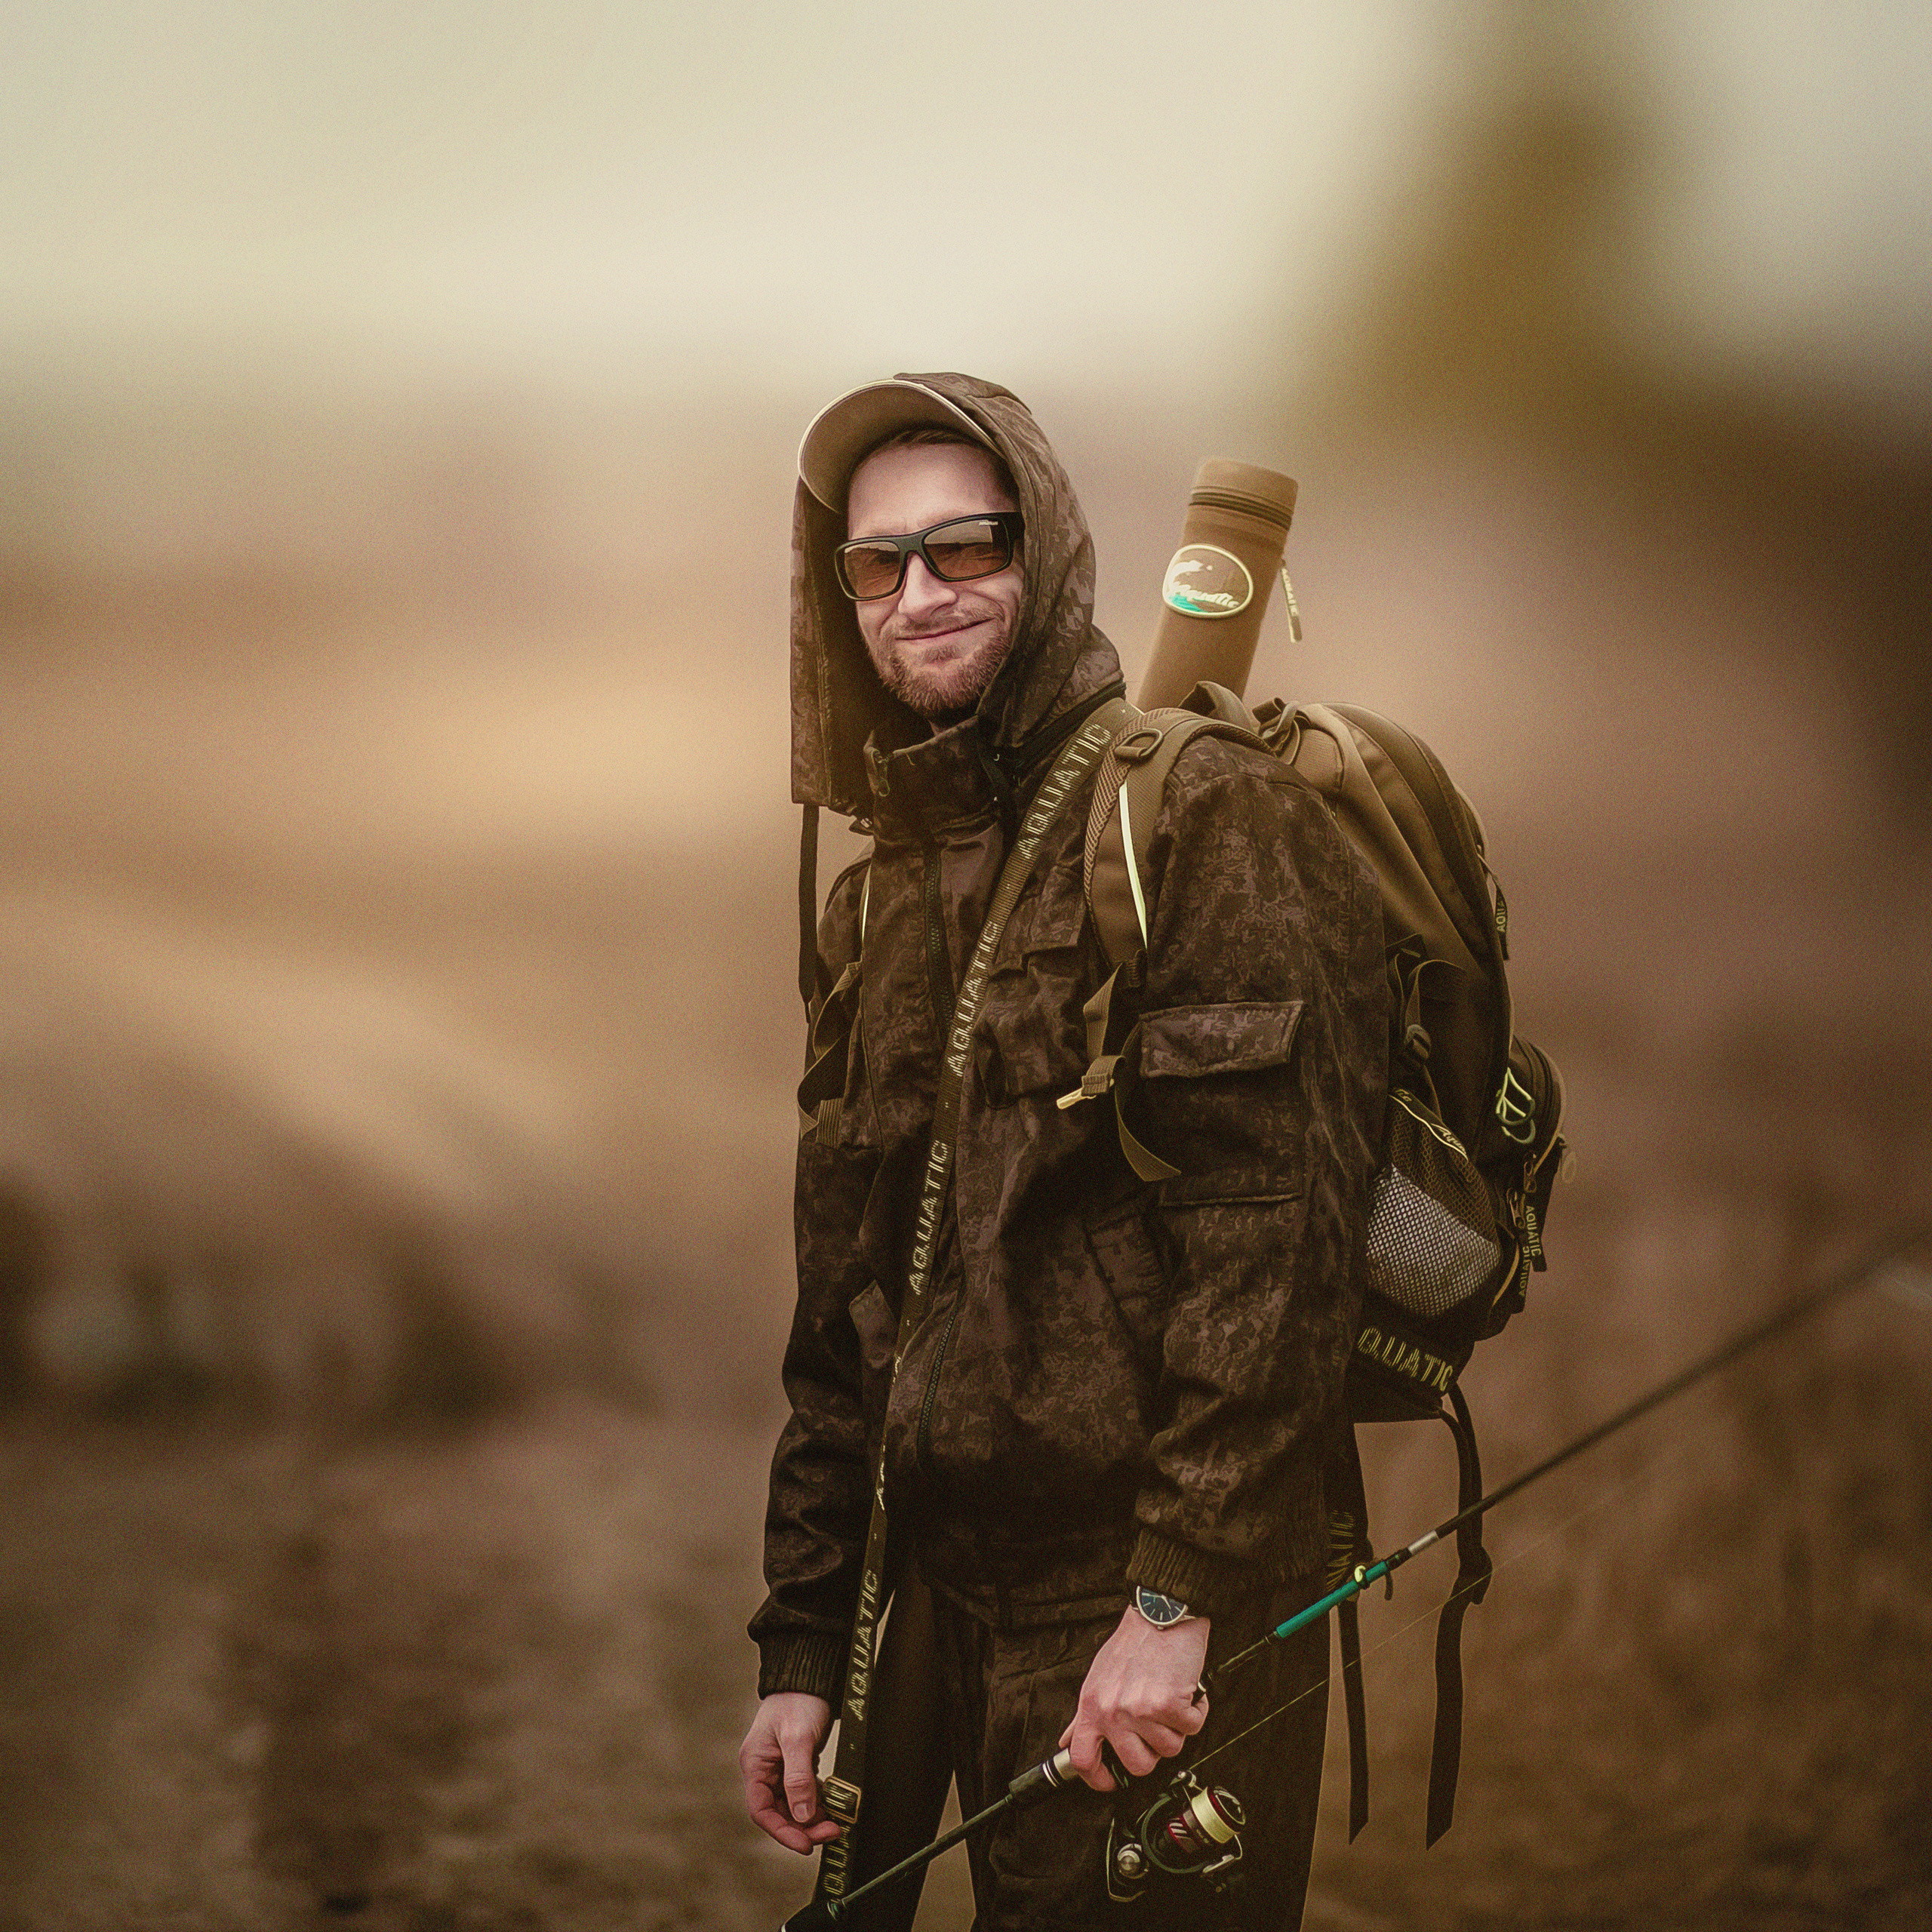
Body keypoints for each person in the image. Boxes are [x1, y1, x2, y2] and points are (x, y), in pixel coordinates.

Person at [740, 372, 1388, 1928]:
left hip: (1144, 1611)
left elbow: (1272, 1248)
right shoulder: (877, 894)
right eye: (876, 563)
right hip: (930, 1600)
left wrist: (1176, 1603)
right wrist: (805, 1642)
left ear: (1043, 557)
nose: (917, 593)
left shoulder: (1203, 822)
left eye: (962, 547)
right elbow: (844, 1308)